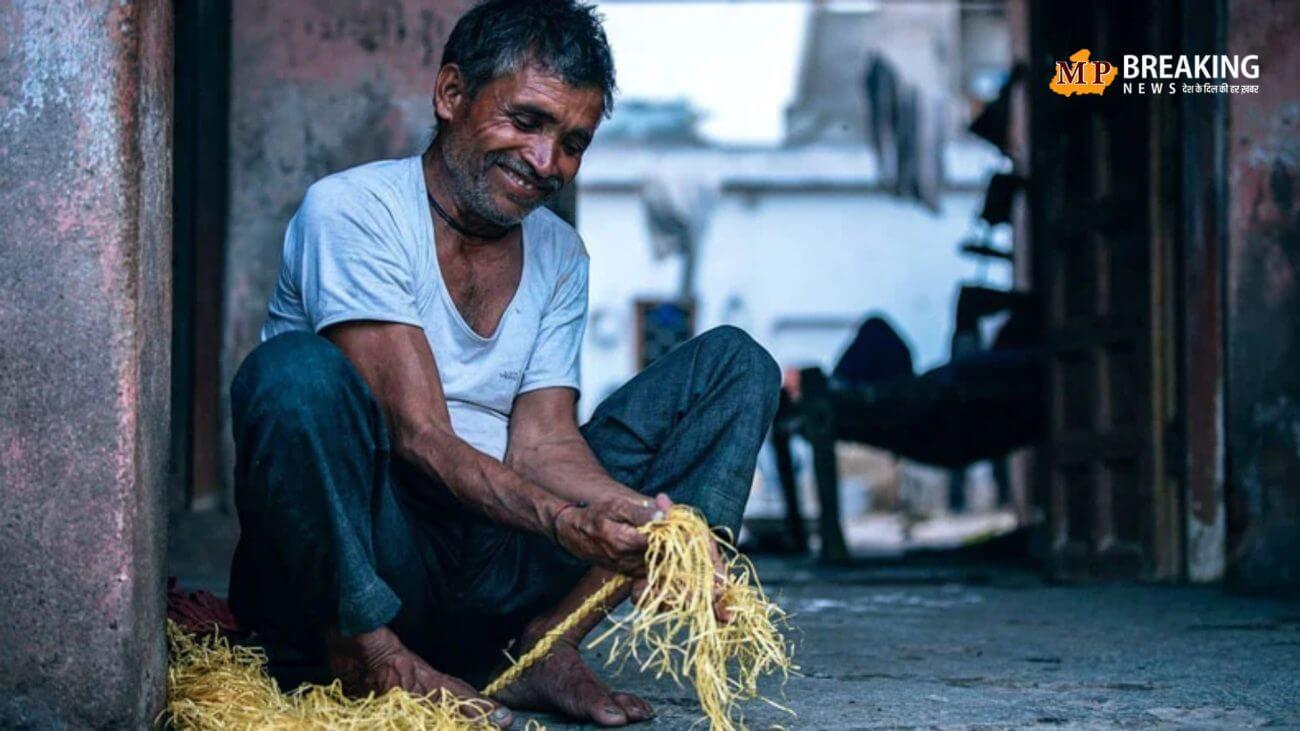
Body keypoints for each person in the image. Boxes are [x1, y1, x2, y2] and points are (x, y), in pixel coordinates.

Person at [225, 1, 781, 727]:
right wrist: (563, 521)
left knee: (737, 365)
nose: (548, 163)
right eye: (526, 121)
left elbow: (544, 442)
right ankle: (368, 653)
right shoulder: (354, 210)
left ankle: (544, 645)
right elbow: (421, 435)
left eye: (574, 141)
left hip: (488, 567)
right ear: (452, 95)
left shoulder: (558, 253)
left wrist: (639, 516)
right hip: (371, 554)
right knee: (292, 374)